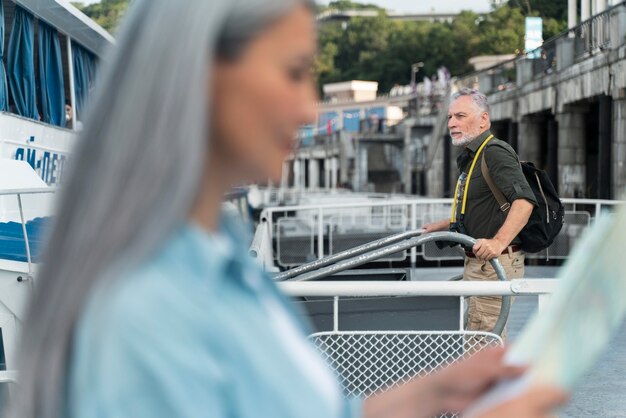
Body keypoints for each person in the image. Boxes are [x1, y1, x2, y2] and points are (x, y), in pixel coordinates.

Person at [9, 2, 564, 418]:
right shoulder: (147, 306)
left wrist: (434, 393)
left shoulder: (218, 255)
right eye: (293, 71)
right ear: (205, 79)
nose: (306, 107)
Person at [423, 88, 536, 340]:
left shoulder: (494, 152)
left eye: (460, 116)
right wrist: (444, 225)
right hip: (479, 262)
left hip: (492, 263)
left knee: (481, 342)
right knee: (481, 336)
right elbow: (481, 207)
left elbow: (525, 202)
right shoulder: (473, 155)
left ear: (483, 119)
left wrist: (498, 242)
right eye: (450, 117)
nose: (452, 123)